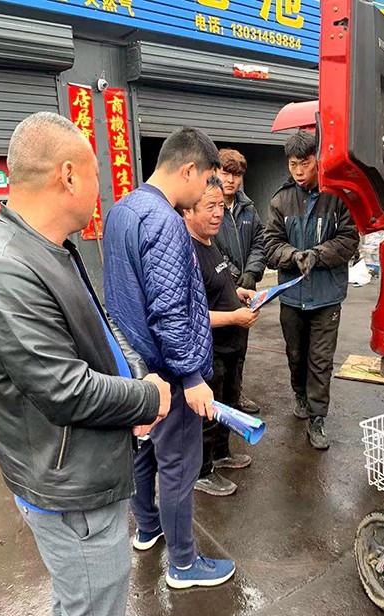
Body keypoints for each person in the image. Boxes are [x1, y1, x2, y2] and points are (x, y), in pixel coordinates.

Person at [0, 112, 172, 616]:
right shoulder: (6, 266)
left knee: (80, 607)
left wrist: (132, 377)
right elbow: (63, 389)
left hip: (74, 464)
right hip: (69, 482)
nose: (100, 191)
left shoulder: (49, 247)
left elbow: (98, 327)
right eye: (95, 176)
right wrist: (147, 396)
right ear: (67, 175)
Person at [103, 128, 236, 589]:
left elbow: (121, 296)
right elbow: (170, 310)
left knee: (143, 450)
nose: (208, 192)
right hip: (169, 371)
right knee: (179, 465)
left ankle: (147, 528)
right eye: (207, 181)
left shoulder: (122, 210)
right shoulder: (165, 222)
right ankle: (183, 563)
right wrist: (192, 376)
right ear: (188, 169)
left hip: (137, 368)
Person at [264, 130, 359, 450]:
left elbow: (349, 240)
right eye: (293, 165)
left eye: (305, 163)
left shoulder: (338, 197)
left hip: (326, 296)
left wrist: (318, 255)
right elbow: (270, 245)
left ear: (318, 161)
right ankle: (300, 395)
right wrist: (293, 256)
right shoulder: (280, 200)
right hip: (292, 297)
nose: (299, 171)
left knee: (320, 360)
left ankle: (318, 418)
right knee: (295, 354)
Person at [183, 177, 260, 497]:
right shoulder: (187, 253)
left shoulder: (210, 242)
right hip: (210, 351)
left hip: (231, 347)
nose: (218, 213)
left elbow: (218, 286)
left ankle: (221, 454)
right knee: (209, 413)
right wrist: (233, 317)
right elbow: (190, 314)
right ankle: (202, 471)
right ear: (188, 211)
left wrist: (238, 292)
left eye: (220, 205)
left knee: (228, 405)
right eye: (210, 206)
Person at [216, 148, 266, 415]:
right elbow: (210, 247)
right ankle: (220, 401)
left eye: (236, 175)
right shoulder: (210, 205)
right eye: (225, 173)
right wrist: (235, 276)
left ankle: (236, 395)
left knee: (240, 347)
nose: (230, 180)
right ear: (215, 172)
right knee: (219, 350)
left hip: (246, 290)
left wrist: (252, 273)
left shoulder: (248, 208)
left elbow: (260, 242)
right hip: (220, 290)